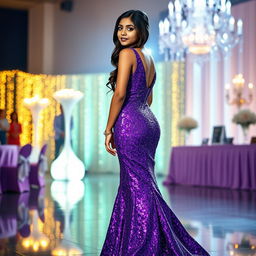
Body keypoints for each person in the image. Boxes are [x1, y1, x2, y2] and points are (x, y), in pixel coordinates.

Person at [101, 10, 210, 255]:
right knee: (143, 183)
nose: (123, 33)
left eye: (130, 28)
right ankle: (148, 237)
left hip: (130, 122)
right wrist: (136, 115)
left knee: (136, 185)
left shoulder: (127, 54)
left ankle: (142, 243)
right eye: (120, 27)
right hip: (148, 122)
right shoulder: (148, 57)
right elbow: (148, 98)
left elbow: (119, 95)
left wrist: (108, 129)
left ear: (141, 31)